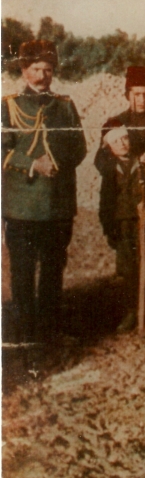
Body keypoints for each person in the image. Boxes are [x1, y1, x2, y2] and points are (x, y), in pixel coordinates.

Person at [2, 39, 87, 344]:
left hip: (57, 204)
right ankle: (25, 332)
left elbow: (79, 147)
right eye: (36, 68)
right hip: (21, 206)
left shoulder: (65, 105)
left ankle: (50, 329)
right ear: (24, 70)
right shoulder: (9, 105)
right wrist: (31, 164)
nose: (43, 76)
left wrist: (56, 161)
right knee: (23, 271)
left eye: (48, 69)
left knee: (53, 269)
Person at [94, 64, 145, 335]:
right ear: (127, 94)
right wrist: (122, 158)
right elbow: (100, 161)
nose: (142, 100)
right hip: (126, 206)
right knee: (128, 264)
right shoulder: (115, 122)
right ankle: (131, 310)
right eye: (136, 94)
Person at [97, 122, 145, 333]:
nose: (122, 144)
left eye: (124, 138)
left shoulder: (140, 163)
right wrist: (109, 228)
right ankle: (131, 310)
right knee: (127, 269)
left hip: (141, 222)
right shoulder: (110, 168)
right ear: (109, 146)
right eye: (116, 141)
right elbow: (105, 203)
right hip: (121, 224)